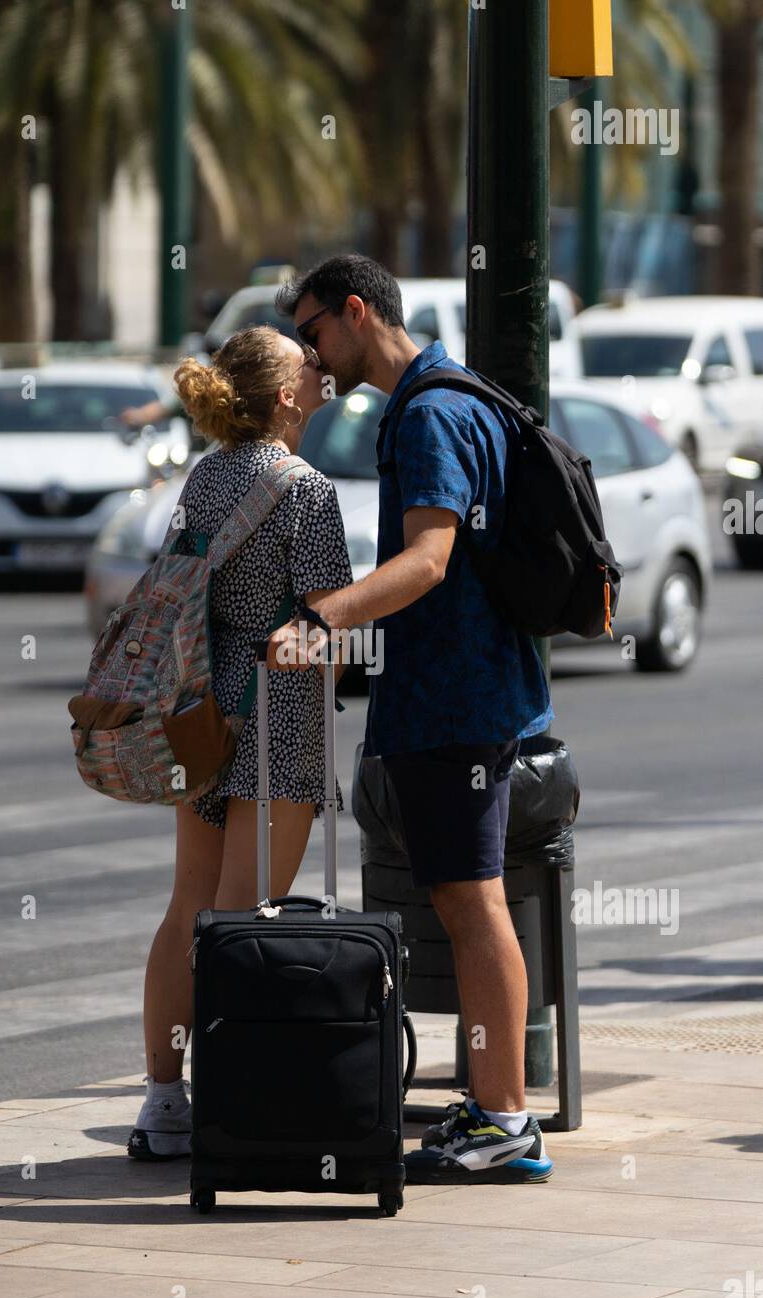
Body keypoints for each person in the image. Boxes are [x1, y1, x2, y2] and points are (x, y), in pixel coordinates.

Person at [269, 254, 555, 1184]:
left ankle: (507, 1118)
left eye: (314, 331)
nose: (311, 354)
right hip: (461, 695)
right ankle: (494, 1107)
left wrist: (324, 621)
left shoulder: (431, 412)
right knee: (467, 899)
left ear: (357, 312)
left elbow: (429, 560)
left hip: (455, 703)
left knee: (473, 906)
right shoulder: (447, 396)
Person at [128, 325, 352, 1160]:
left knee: (191, 903)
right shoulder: (306, 490)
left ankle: (164, 1101)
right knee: (242, 916)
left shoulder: (206, 475)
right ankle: (235, 1098)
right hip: (278, 715)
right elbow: (329, 617)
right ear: (286, 397)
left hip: (202, 709)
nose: (321, 369)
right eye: (307, 364)